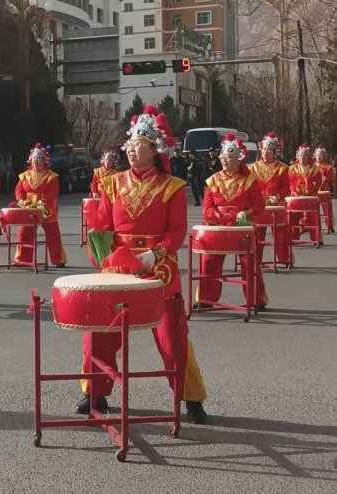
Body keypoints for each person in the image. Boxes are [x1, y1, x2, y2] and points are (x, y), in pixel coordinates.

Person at [80, 105, 208, 424]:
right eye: (130, 144)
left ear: (154, 150)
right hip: (119, 265)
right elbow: (103, 225)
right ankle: (94, 391)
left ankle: (190, 396)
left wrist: (156, 253)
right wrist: (99, 245)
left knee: (172, 337)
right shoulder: (112, 184)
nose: (131, 150)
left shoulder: (172, 187)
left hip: (158, 266)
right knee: (102, 330)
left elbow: (176, 231)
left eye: (139, 145)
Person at [196, 134, 267, 310]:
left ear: (238, 159)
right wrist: (228, 217)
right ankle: (206, 299)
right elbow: (207, 211)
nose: (224, 160)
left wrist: (245, 214)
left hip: (241, 229)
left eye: (228, 157)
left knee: (249, 263)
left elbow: (259, 206)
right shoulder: (213, 180)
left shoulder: (249, 180)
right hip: (218, 228)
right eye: (223, 157)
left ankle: (255, 300)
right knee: (208, 261)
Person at [13, 143, 67, 268]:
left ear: (44, 161)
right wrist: (21, 200)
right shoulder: (24, 175)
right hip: (28, 207)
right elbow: (19, 190)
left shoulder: (51, 176)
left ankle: (58, 259)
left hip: (46, 208)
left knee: (53, 234)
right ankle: (23, 259)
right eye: (34, 158)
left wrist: (43, 201)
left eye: (38, 159)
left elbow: (53, 192)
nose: (35, 161)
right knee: (24, 232)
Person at [249, 132, 291, 266]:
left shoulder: (282, 168)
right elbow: (248, 187)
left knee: (280, 233)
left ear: (274, 152)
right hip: (258, 205)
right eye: (264, 149)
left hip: (275, 204)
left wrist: (277, 196)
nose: (266, 152)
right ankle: (255, 260)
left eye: (269, 150)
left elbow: (286, 188)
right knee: (257, 233)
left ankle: (284, 258)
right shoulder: (252, 168)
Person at [288, 143, 323, 243]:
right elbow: (290, 182)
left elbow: (318, 182)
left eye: (305, 155)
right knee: (293, 217)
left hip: (310, 197)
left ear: (309, 157)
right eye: (300, 155)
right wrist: (295, 191)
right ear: (297, 157)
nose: (302, 158)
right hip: (296, 197)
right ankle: (293, 237)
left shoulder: (315, 169)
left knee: (313, 217)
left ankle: (316, 238)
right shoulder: (292, 168)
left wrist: (310, 190)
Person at [314, 145, 334, 233]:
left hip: (324, 189)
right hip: (315, 189)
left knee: (327, 207)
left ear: (324, 156)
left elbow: (330, 179)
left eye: (321, 155)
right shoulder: (312, 166)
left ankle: (330, 224)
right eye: (317, 155)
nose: (319, 157)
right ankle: (313, 224)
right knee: (313, 207)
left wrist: (324, 178)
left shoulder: (328, 167)